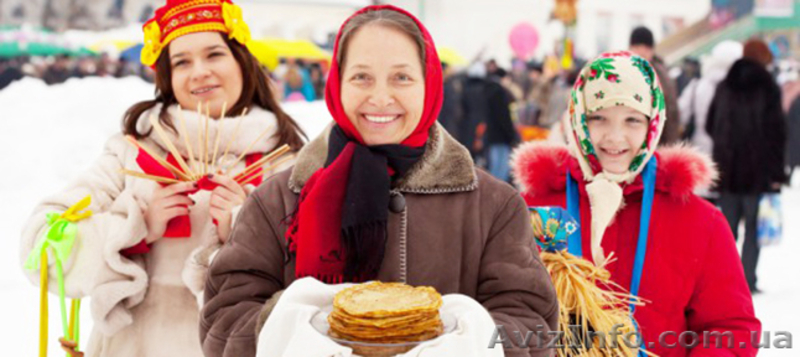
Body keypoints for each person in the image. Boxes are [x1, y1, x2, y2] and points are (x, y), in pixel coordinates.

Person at [200, 5, 558, 357]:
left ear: (429, 84)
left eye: (402, 77)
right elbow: (223, 323)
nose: (381, 98)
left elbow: (532, 323)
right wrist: (303, 331)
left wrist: (460, 340)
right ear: (337, 84)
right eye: (361, 77)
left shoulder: (493, 205)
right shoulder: (277, 200)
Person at [19, 1, 305, 356]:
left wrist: (245, 236)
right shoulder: (134, 153)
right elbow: (40, 250)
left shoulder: (288, 164)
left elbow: (312, 285)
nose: (198, 72)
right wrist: (134, 226)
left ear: (241, 62)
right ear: (167, 77)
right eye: (181, 61)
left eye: (214, 54)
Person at [512, 51, 760, 356]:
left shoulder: (698, 219)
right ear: (576, 118)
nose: (615, 137)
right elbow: (502, 309)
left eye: (632, 120)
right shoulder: (530, 209)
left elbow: (730, 327)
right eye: (598, 117)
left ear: (653, 124)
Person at [706, 39, 788, 294]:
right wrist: (776, 174)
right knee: (752, 228)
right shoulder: (769, 88)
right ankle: (747, 280)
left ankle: (722, 280)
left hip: (727, 171)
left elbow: (710, 124)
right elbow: (777, 134)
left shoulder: (724, 85)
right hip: (756, 174)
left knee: (726, 230)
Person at [678, 40, 743, 200]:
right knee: (729, 215)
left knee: (701, 209)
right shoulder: (741, 90)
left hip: (700, 154)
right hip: (732, 160)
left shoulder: (697, 86)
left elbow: (682, 114)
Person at [629, 26, 681, 145]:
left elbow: (672, 113)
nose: (641, 52)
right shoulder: (621, 71)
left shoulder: (662, 75)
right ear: (630, 48)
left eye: (646, 48)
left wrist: (670, 146)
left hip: (657, 142)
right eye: (637, 47)